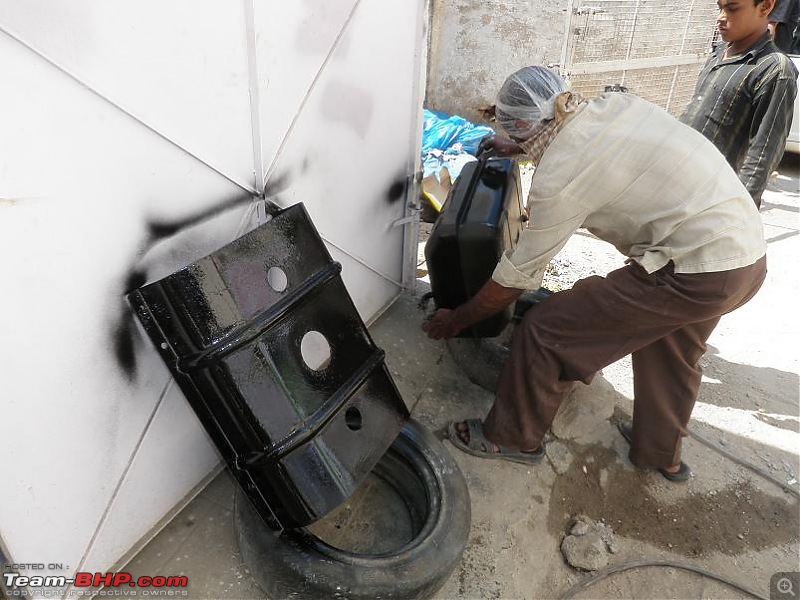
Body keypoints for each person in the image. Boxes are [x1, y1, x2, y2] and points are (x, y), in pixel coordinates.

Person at [422, 66, 767, 482]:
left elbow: (517, 276)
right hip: (744, 255)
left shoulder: (558, 180)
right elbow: (581, 144)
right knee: (671, 347)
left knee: (547, 330)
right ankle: (660, 455)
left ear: (518, 126)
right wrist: (516, 146)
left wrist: (457, 319)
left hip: (693, 270)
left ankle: (511, 439)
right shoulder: (612, 105)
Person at [680, 0, 798, 209]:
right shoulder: (719, 54)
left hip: (710, 202)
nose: (721, 17)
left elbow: (763, 152)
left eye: (732, 8)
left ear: (765, 7)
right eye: (720, 8)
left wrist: (738, 213)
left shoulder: (774, 70)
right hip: (679, 185)